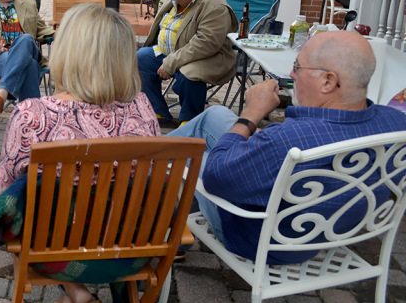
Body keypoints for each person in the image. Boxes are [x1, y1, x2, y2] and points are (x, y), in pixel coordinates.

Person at [169, 31, 406, 264]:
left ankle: (160, 214)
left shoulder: (288, 140)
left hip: (259, 239)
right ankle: (149, 156)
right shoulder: (397, 123)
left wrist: (251, 113)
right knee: (215, 115)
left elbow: (215, 176)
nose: (291, 74)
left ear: (328, 81)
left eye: (297, 66)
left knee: (186, 155)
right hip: (324, 230)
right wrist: (259, 144)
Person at [0, 4, 160, 303]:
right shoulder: (141, 107)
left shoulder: (33, 115)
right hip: (128, 248)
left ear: (68, 52)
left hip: (54, 250)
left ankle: (76, 296)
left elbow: (7, 193)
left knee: (34, 209)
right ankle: (76, 299)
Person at [136, 0, 237, 125]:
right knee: (141, 58)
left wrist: (172, 62)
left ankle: (190, 120)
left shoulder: (215, 6)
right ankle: (157, 110)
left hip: (205, 57)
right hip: (171, 52)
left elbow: (206, 44)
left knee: (190, 73)